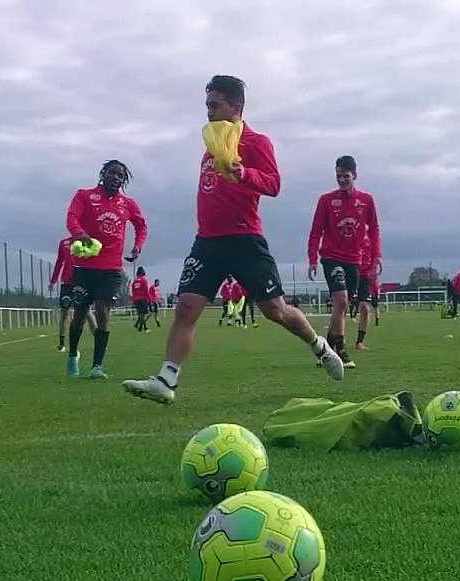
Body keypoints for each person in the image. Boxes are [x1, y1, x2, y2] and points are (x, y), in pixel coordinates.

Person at [123, 74, 344, 404]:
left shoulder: (256, 142)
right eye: (207, 105)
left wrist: (245, 174)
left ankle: (320, 346)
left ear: (236, 107)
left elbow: (274, 184)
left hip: (244, 240)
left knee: (275, 311)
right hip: (207, 242)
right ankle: (166, 381)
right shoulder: (211, 144)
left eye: (215, 105)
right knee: (186, 308)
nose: (209, 111)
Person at [65, 159, 148, 378]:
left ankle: (97, 366)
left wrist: (137, 246)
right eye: (112, 173)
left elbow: (141, 226)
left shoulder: (128, 204)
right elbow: (72, 218)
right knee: (80, 313)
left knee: (102, 311)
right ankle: (72, 355)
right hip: (84, 266)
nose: (116, 178)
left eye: (120, 176)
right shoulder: (84, 196)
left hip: (111, 269)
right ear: (103, 174)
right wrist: (79, 234)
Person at [307, 155, 380, 368]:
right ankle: (341, 350)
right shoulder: (326, 200)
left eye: (345, 176)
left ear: (354, 175)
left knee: (344, 306)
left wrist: (377, 255)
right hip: (331, 257)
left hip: (354, 260)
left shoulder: (366, 201)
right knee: (340, 300)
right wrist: (313, 259)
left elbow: (374, 229)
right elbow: (316, 231)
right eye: (338, 176)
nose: (341, 180)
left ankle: (326, 350)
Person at [49, 235, 96, 351]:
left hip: (81, 282)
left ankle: (99, 342)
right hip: (67, 283)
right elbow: (59, 262)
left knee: (87, 312)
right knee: (64, 312)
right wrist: (53, 280)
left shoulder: (87, 242)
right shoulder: (64, 243)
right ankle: (62, 343)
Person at [353, 242, 379, 350]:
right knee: (341, 306)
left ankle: (359, 342)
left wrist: (375, 291)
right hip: (351, 271)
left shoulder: (373, 239)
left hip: (365, 277)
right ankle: (338, 340)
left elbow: (375, 256)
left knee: (365, 308)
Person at [130, 266, 151, 332]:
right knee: (144, 314)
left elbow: (133, 291)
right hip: (142, 299)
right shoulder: (144, 280)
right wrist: (149, 299)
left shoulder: (134, 281)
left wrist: (133, 300)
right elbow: (146, 291)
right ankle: (144, 327)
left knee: (141, 314)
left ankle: (139, 326)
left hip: (136, 300)